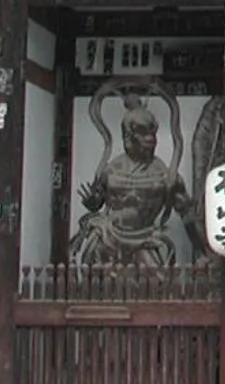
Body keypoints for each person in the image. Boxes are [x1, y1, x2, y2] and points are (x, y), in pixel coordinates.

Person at [72, 95, 193, 270]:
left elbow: (187, 213)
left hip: (145, 237)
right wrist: (92, 203)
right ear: (128, 136)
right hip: (109, 234)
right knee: (96, 278)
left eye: (152, 133)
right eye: (143, 133)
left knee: (155, 280)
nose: (150, 139)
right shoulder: (112, 169)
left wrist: (203, 250)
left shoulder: (164, 175)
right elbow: (98, 201)